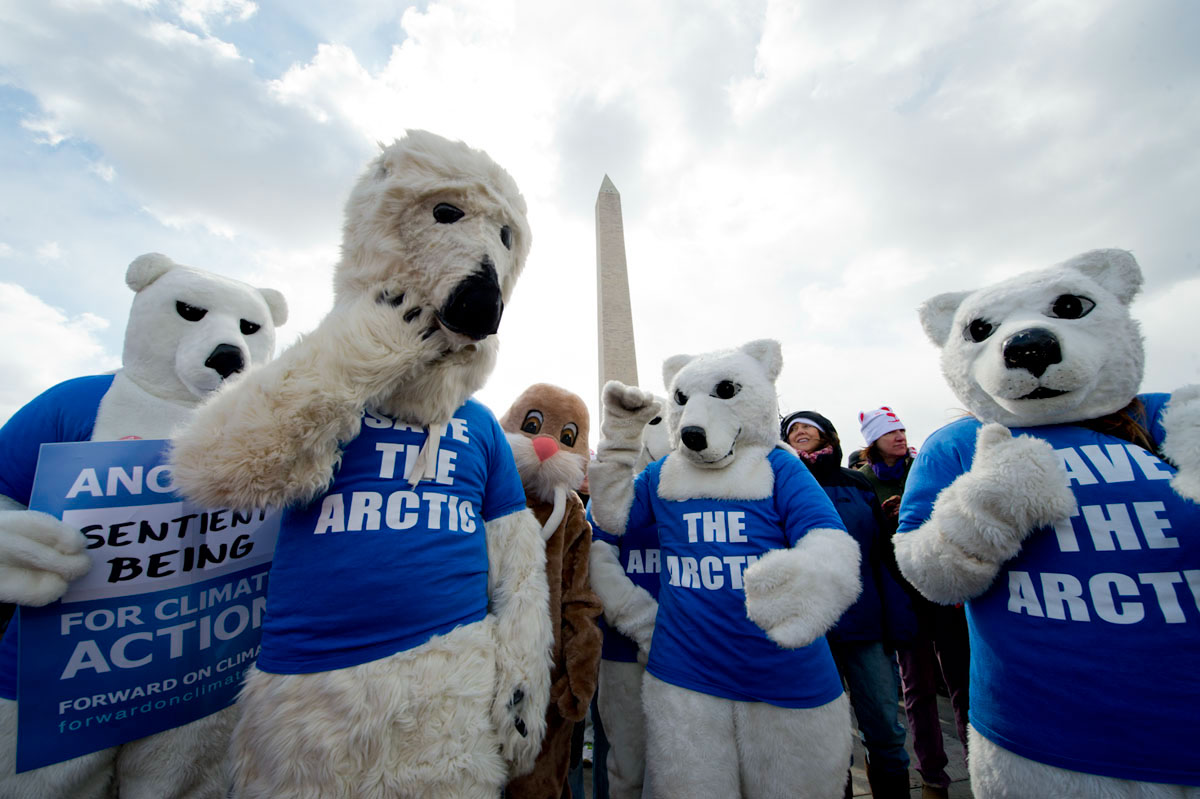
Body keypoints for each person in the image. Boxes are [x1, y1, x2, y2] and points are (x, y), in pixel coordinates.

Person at [782, 411, 916, 799]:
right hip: (809, 630)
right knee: (824, 738)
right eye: (792, 430)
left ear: (828, 435)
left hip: (865, 625)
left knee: (885, 731)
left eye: (808, 426)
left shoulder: (856, 484)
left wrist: (898, 619)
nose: (800, 432)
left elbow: (880, 558)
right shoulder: (776, 485)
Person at [858, 407, 969, 799]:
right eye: (890, 432)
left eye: (902, 429)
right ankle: (933, 778)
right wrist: (887, 519)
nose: (900, 437)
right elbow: (864, 536)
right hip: (904, 595)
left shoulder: (926, 466)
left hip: (944, 590)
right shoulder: (864, 481)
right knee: (918, 690)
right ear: (873, 441)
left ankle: (978, 761)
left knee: (963, 683)